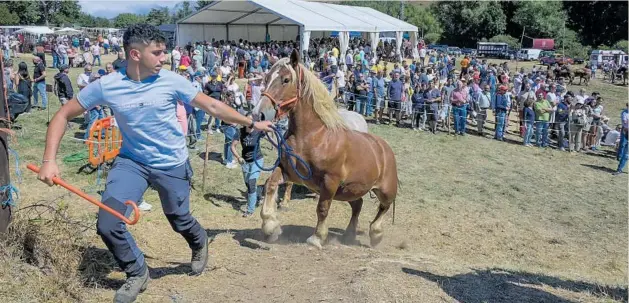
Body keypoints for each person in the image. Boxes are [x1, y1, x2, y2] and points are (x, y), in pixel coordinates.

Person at [36, 24, 273, 303]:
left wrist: (250, 123)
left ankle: (199, 241)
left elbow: (211, 106)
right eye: (158, 53)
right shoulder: (108, 85)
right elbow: (62, 115)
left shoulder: (172, 81)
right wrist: (48, 161)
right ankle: (137, 272)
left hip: (172, 163)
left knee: (178, 218)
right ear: (135, 54)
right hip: (131, 163)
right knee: (108, 222)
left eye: (164, 52)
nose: (164, 58)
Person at [230, 112, 265, 217]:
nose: (248, 122)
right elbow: (232, 147)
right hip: (245, 161)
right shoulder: (240, 132)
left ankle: (250, 210)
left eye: (250, 120)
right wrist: (238, 157)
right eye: (246, 120)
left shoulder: (258, 131)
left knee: (250, 183)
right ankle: (258, 192)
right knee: (248, 183)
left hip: (257, 160)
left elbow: (270, 131)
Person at [613, 104, 629, 175]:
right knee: (626, 152)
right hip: (626, 131)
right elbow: (625, 123)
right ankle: (620, 169)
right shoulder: (624, 113)